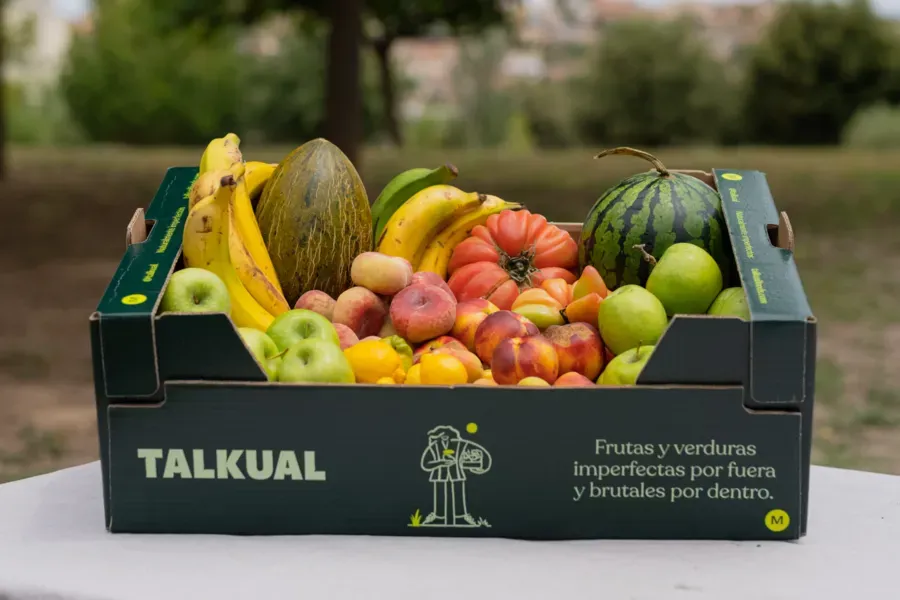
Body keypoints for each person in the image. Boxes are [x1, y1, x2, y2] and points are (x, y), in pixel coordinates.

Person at [419, 425, 492, 527]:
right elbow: (425, 464)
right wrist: (440, 462)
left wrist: (477, 465)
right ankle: (437, 515)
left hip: (456, 474)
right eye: (441, 435)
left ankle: (462, 516)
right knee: (439, 496)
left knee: (459, 495)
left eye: (446, 434)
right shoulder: (433, 447)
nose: (444, 437)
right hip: (439, 475)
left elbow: (472, 455)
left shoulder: (459, 445)